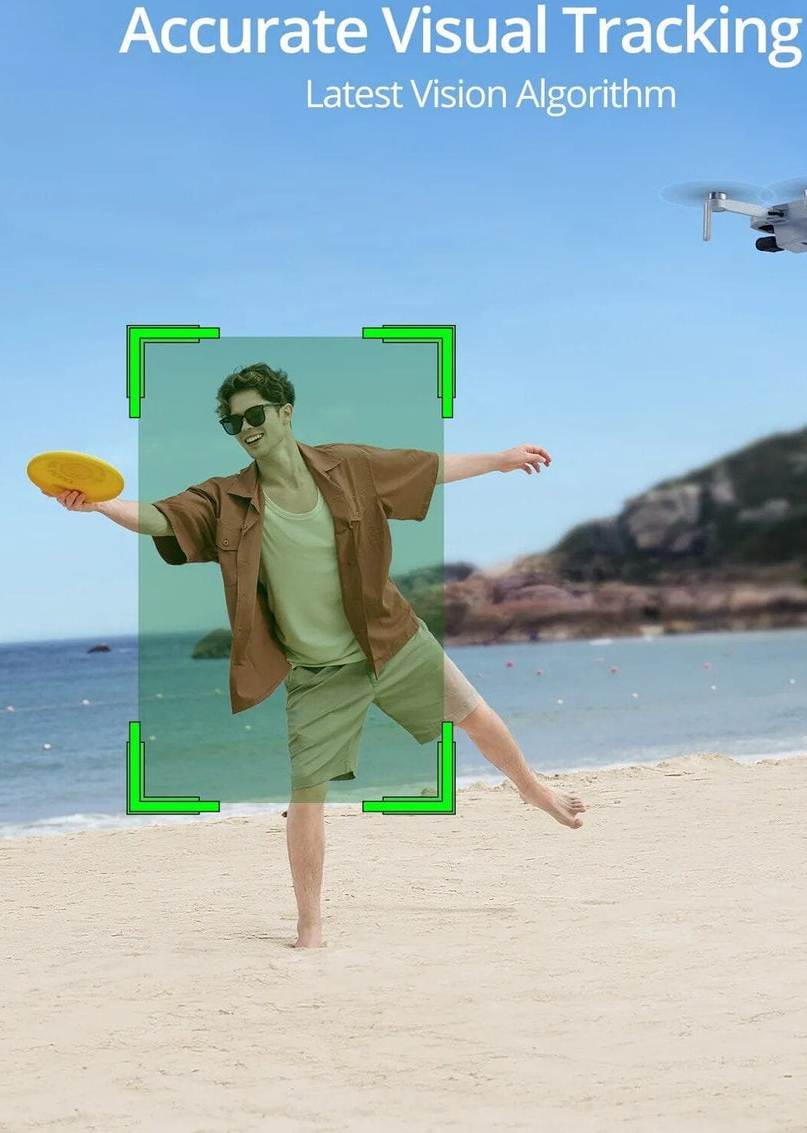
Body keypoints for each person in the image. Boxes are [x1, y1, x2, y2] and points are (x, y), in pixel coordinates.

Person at [49, 362, 585, 948]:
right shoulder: (225, 498)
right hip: (317, 668)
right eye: (234, 422)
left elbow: (427, 469)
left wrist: (501, 459)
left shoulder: (348, 466)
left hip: (387, 636)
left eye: (256, 414)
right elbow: (157, 516)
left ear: (285, 411)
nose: (246, 427)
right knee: (306, 795)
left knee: (475, 716)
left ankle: (533, 789)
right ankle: (310, 928)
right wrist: (101, 505)